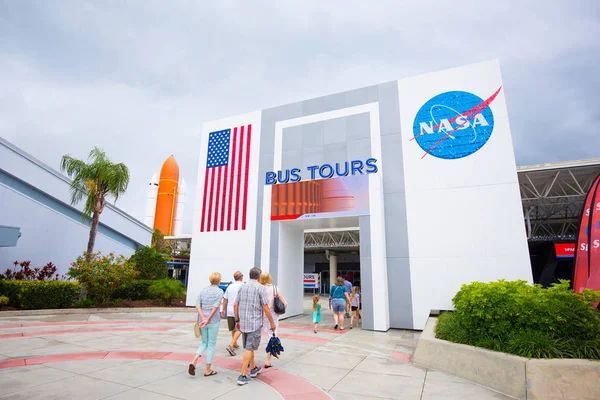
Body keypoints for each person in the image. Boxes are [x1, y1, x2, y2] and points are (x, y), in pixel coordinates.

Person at [234, 267, 276, 386]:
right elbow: (265, 307)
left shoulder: (242, 286)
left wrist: (237, 319)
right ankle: (242, 375)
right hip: (255, 322)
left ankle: (253, 368)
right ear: (258, 277)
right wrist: (272, 322)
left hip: (244, 322)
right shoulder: (260, 288)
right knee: (249, 348)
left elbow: (235, 304)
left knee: (249, 346)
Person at [189, 272, 223, 377]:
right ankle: (207, 369)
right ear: (218, 281)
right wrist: (208, 319)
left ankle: (194, 360)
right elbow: (216, 306)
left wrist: (203, 318)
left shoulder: (203, 290)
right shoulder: (219, 291)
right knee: (211, 344)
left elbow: (197, 305)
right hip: (213, 320)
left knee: (204, 342)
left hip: (202, 320)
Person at [258, 272, 287, 368]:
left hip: (261, 314)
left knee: (257, 335)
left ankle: (250, 357)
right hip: (273, 315)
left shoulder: (259, 288)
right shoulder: (275, 288)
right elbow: (284, 302)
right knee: (272, 336)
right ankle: (267, 360)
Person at [222, 270, 244, 356]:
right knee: (240, 328)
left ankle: (235, 343)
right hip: (239, 310)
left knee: (233, 328)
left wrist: (223, 309)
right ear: (241, 277)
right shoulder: (243, 286)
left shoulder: (230, 286)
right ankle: (232, 344)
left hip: (230, 310)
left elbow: (225, 299)